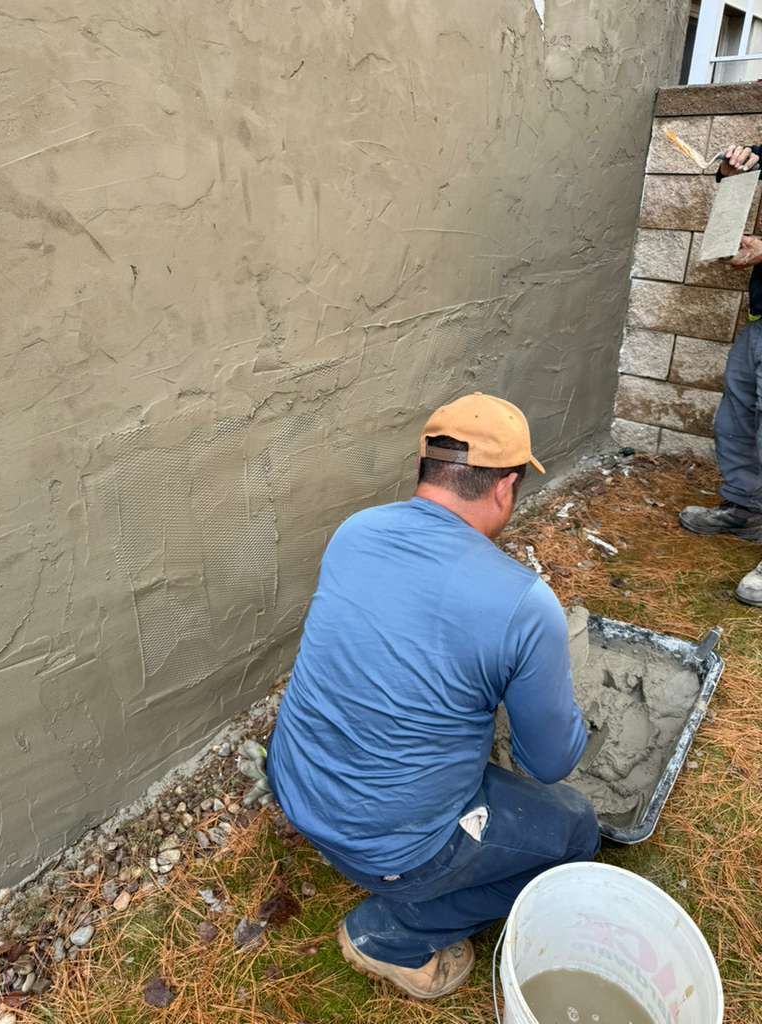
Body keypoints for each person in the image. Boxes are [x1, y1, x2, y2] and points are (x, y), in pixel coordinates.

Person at [267, 393, 599, 1001]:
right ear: (506, 487)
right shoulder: (524, 605)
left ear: (425, 469)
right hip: (393, 845)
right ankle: (392, 934)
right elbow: (548, 763)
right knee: (576, 831)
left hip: (295, 787)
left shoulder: (355, 531)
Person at [680, 144, 762, 607]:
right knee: (738, 422)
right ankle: (747, 511)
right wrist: (733, 171)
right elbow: (737, 181)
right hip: (759, 321)